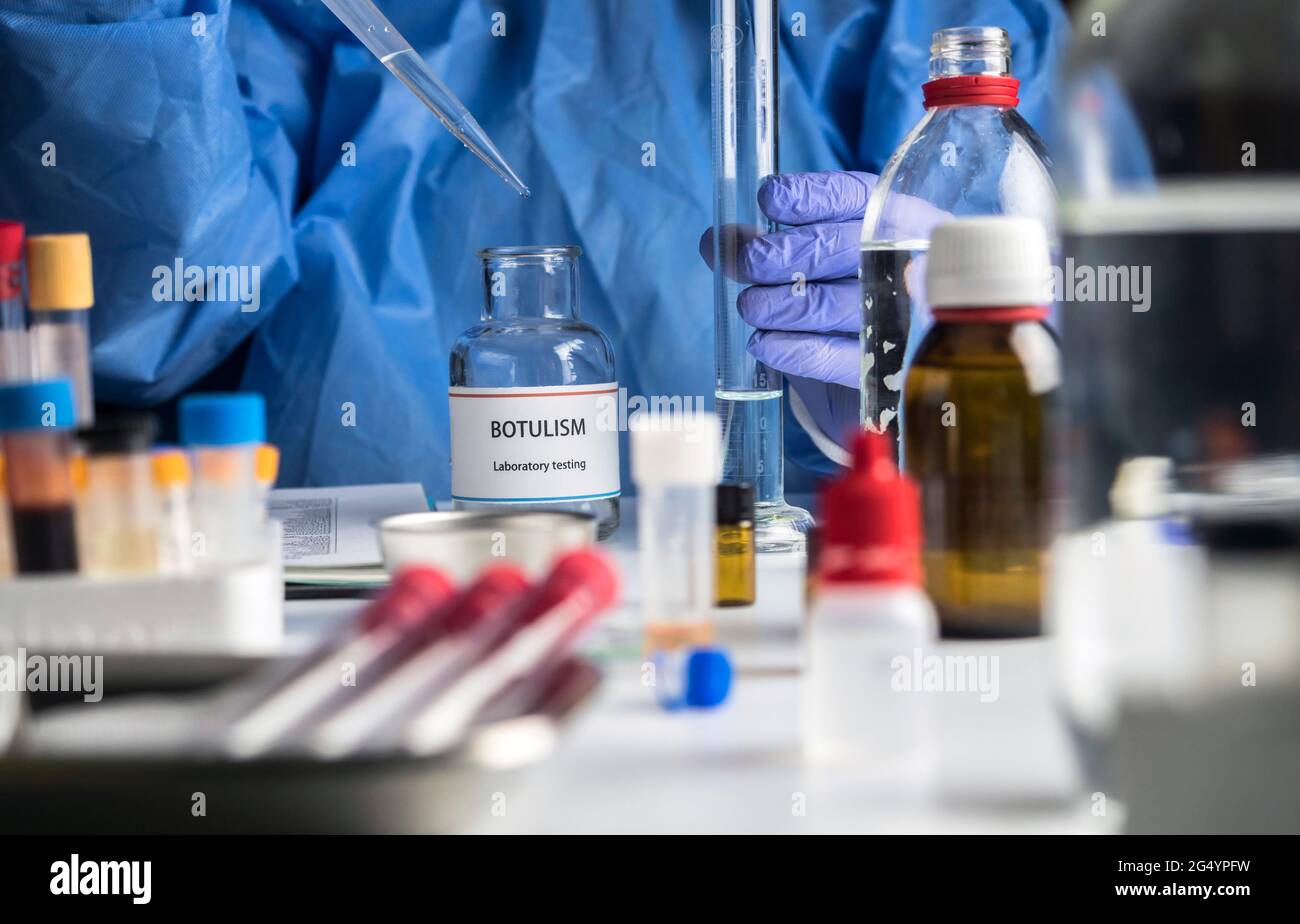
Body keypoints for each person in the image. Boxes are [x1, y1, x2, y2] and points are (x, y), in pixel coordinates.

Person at [0, 1, 1068, 497]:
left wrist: (960, 347)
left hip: (799, 613)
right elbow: (156, 302)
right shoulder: (319, 20)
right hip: (361, 616)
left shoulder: (902, 17)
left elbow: (1123, 349)